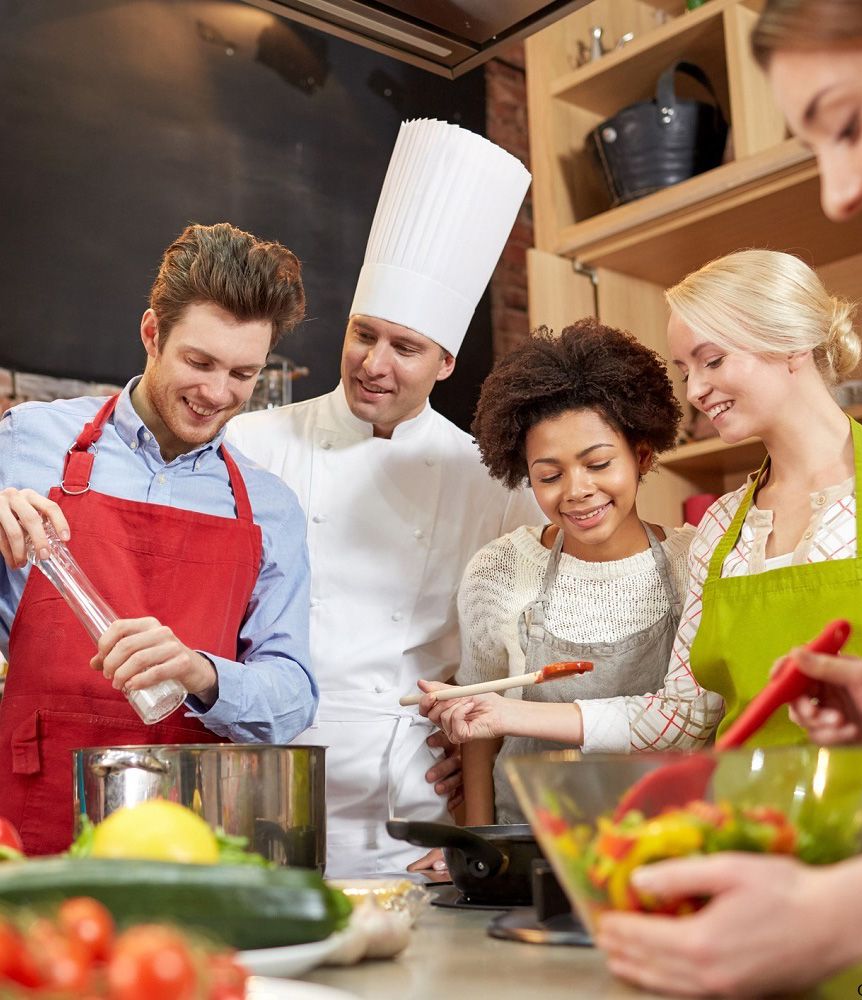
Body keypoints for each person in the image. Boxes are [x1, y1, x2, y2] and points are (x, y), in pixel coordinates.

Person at [593, 1, 862, 995]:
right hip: (770, 904)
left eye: (845, 122)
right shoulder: (721, 526)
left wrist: (832, 917)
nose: (838, 191)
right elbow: (682, 716)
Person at [423, 248, 862, 841]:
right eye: (684, 369)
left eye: (712, 360)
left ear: (792, 343)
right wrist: (501, 711)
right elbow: (683, 714)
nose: (695, 389)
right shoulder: (723, 528)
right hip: (756, 851)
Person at [225, 119, 541, 876]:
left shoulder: (491, 476)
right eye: (364, 334)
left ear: (446, 361)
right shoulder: (252, 443)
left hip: (409, 799)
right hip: (263, 778)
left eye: (405, 348)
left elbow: (530, 648)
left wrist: (475, 761)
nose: (373, 363)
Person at [0, 222, 318, 855]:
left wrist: (203, 672)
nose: (216, 394)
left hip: (188, 828)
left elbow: (294, 694)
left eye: (242, 373)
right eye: (198, 362)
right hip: (32, 804)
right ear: (151, 333)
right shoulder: (23, 442)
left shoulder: (268, 508)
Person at [456, 319, 691, 825]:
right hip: (529, 841)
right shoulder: (499, 570)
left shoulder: (693, 561)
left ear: (642, 455)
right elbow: (481, 726)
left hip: (665, 842)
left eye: (599, 463)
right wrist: (478, 844)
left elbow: (695, 715)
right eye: (549, 475)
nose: (576, 490)